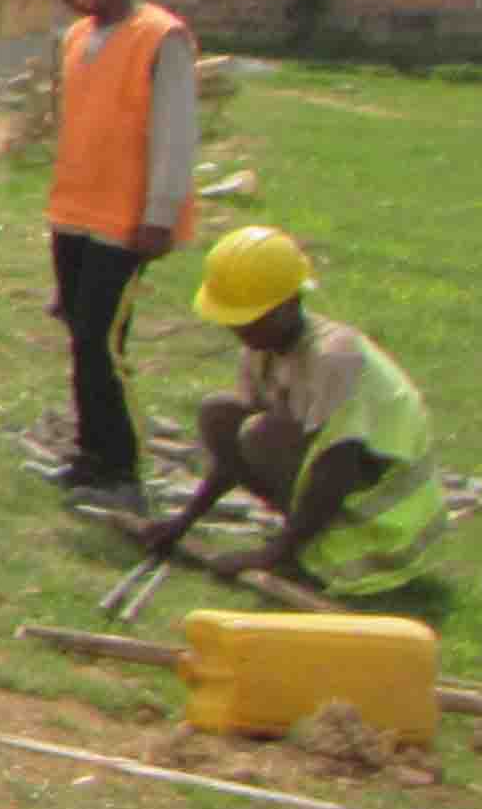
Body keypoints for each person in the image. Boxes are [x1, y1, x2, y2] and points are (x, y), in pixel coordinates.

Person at [143, 225, 446, 596]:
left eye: (249, 317)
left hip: (386, 529)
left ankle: (302, 550)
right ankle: (300, 539)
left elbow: (339, 465)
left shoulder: (334, 359)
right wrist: (184, 521)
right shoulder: (262, 349)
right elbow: (233, 452)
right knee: (219, 415)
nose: (237, 328)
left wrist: (272, 554)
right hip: (339, 486)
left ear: (288, 303)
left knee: (259, 434)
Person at [37, 0, 198, 512]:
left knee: (105, 345)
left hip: (127, 222)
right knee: (81, 338)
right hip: (76, 214)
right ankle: (90, 455)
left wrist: (159, 214)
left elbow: (174, 136)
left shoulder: (163, 38)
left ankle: (123, 468)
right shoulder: (79, 38)